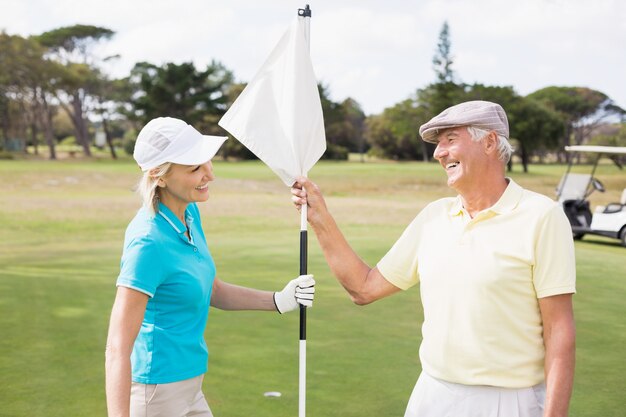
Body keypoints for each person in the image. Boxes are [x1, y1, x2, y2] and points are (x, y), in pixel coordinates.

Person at [291, 101, 575, 417]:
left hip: (509, 403)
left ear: (490, 142)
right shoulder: (434, 216)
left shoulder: (542, 216)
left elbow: (559, 331)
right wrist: (321, 218)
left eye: (450, 139)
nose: (439, 153)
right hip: (433, 395)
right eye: (438, 143)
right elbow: (364, 288)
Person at [105, 117, 315, 417]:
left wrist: (279, 300)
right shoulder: (148, 242)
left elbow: (212, 289)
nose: (209, 175)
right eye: (195, 168)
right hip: (156, 394)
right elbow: (117, 347)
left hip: (190, 386)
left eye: (207, 162)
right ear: (159, 176)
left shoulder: (189, 214)